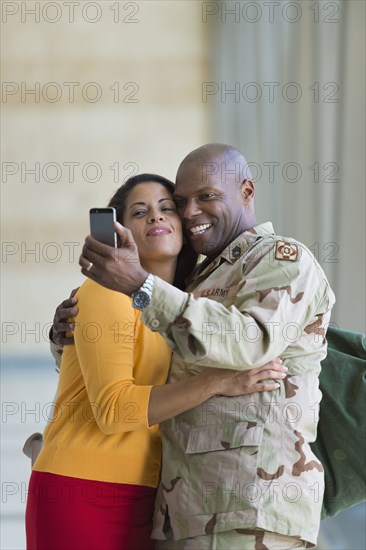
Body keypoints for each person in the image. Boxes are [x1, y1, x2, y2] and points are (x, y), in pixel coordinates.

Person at [78, 144, 336, 549]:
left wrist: (141, 287)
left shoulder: (282, 259)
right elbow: (145, 367)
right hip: (183, 511)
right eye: (182, 201)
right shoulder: (196, 282)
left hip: (251, 507)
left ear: (247, 191)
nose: (191, 212)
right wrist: (71, 339)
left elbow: (252, 342)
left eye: (207, 196)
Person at [26, 173, 287, 550]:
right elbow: (114, 410)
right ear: (120, 232)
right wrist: (218, 381)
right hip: (84, 490)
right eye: (140, 211)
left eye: (167, 208)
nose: (156, 217)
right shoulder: (106, 292)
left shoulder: (186, 306)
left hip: (153, 498)